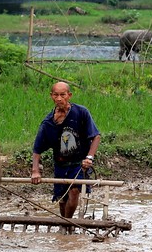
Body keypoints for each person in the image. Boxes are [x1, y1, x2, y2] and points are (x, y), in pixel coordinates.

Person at [31, 80, 101, 219]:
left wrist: (89, 157)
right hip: (61, 164)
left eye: (62, 95)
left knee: (74, 191)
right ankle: (65, 225)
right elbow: (37, 149)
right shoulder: (48, 123)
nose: (59, 98)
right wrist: (35, 171)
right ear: (51, 96)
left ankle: (67, 224)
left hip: (79, 164)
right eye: (56, 95)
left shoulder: (81, 113)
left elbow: (96, 136)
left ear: (69, 95)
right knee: (62, 199)